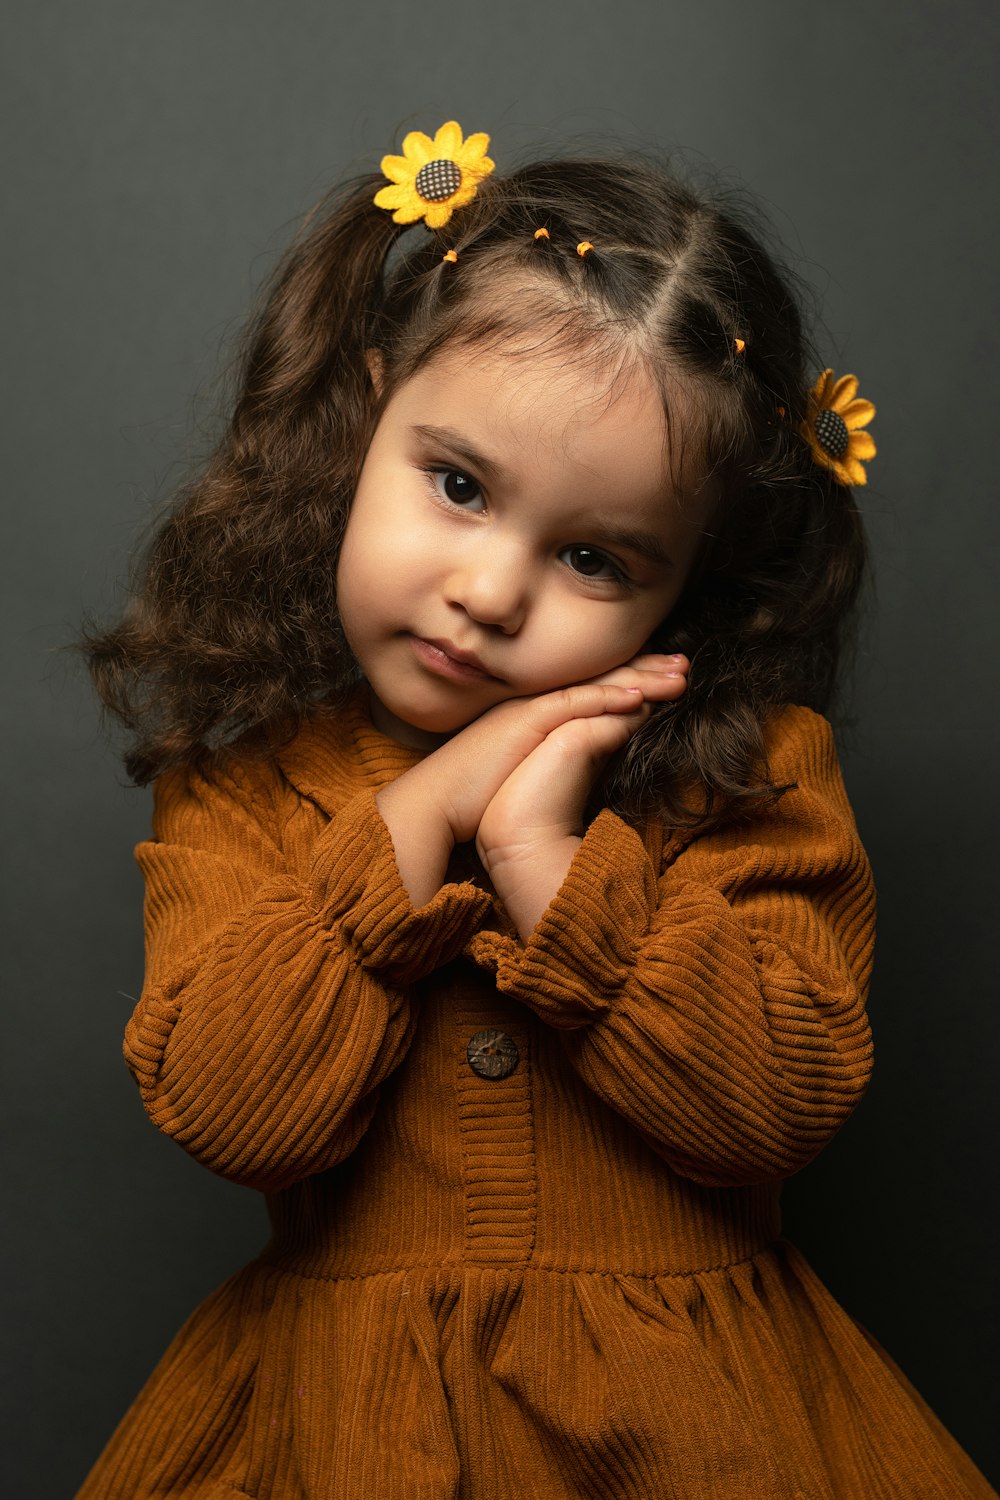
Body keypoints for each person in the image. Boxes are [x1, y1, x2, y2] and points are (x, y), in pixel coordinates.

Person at [78, 122, 994, 1498]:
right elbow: (232, 1107)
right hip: (339, 1433)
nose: (492, 593)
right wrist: (422, 817)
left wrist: (541, 857)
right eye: (457, 486)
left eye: (592, 556)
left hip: (700, 1428)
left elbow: (777, 1106)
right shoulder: (249, 775)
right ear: (368, 413)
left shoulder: (744, 773)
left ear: (687, 584)